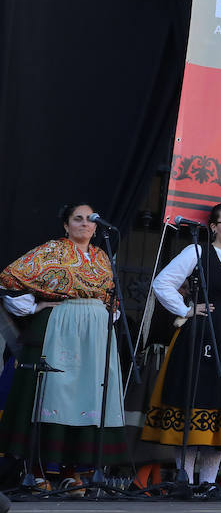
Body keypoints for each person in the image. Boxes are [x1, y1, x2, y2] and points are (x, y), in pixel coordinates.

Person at [0, 203, 126, 492]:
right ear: (66, 225)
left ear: (96, 228)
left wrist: (106, 314)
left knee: (88, 398)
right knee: (53, 395)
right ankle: (38, 470)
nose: (85, 224)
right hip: (60, 326)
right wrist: (36, 304)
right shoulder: (51, 251)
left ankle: (74, 472)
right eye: (77, 219)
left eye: (90, 220)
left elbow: (112, 297)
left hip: (94, 334)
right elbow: (9, 279)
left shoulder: (101, 256)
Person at [142, 202, 221, 489]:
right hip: (200, 335)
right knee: (195, 398)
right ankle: (184, 476)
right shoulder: (196, 252)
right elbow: (163, 283)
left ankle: (209, 482)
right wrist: (185, 310)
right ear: (213, 227)